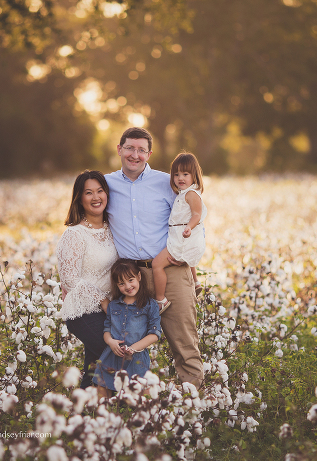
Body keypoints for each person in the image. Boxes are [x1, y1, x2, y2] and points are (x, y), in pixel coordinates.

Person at [105, 127, 205, 388]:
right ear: (119, 149)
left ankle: (193, 405)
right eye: (129, 148)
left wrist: (191, 265)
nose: (134, 155)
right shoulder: (107, 184)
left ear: (149, 154)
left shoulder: (168, 183)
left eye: (141, 150)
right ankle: (128, 401)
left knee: (184, 342)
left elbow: (192, 219)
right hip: (130, 278)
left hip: (170, 270)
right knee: (125, 344)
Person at [56, 170, 119, 389]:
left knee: (93, 370)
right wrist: (102, 300)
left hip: (109, 310)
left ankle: (81, 419)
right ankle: (122, 411)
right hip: (83, 311)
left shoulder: (113, 229)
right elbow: (69, 278)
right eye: (88, 193)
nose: (96, 197)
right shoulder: (75, 234)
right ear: (79, 199)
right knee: (115, 355)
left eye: (100, 191)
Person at [93, 258, 161, 398]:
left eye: (131, 280)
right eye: (121, 283)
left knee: (142, 397)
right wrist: (111, 342)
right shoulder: (113, 306)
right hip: (111, 356)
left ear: (139, 277)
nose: (128, 286)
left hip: (136, 358)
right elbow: (107, 330)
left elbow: (154, 334)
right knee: (101, 395)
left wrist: (133, 348)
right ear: (117, 285)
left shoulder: (150, 305)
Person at [152, 152, 207, 314]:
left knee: (156, 264)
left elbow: (196, 214)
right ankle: (196, 282)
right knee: (188, 259)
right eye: (176, 174)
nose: (180, 178)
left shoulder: (191, 194)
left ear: (194, 175)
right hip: (181, 235)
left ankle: (161, 299)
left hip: (183, 235)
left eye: (185, 174)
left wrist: (189, 227)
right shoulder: (184, 193)